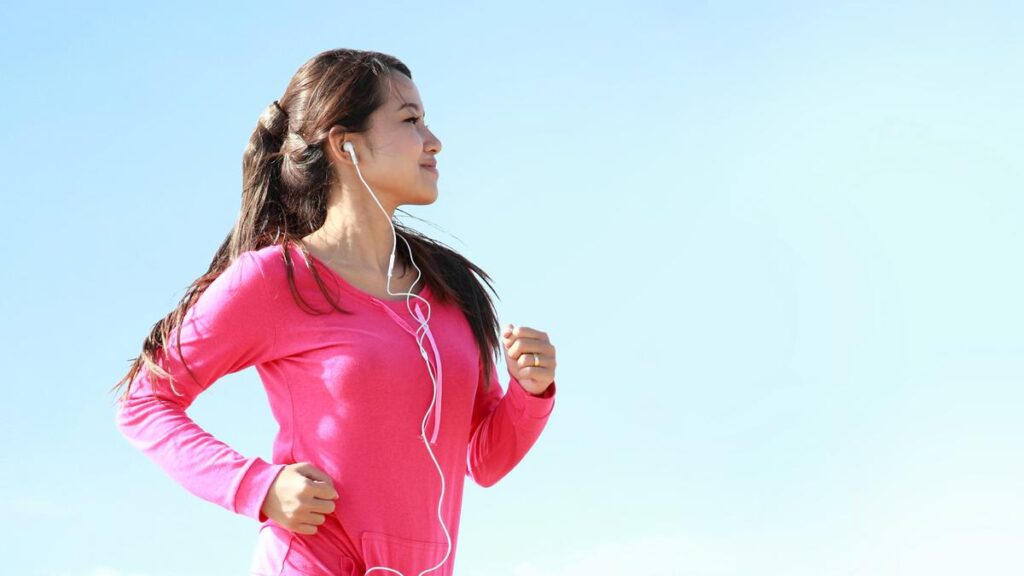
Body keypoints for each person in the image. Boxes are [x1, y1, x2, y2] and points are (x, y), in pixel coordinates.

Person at [111, 48, 557, 576]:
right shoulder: (277, 279)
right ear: (348, 146)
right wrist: (259, 486)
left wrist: (529, 395)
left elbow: (481, 460)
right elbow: (143, 402)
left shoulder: (450, 292)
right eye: (410, 120)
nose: (433, 141)